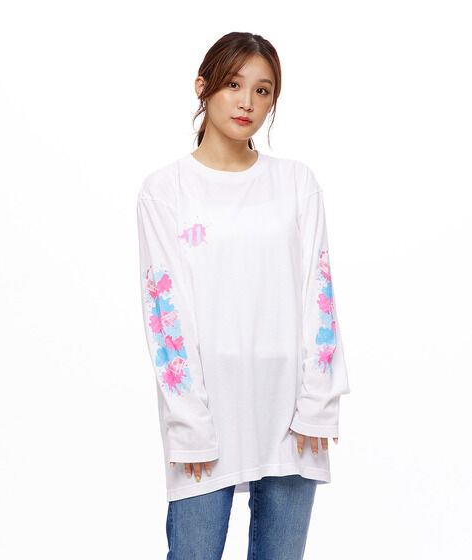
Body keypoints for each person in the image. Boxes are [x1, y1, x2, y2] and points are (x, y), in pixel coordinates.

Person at [136, 31, 350, 559]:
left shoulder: (297, 183)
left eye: (262, 90)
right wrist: (189, 422)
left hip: (291, 413)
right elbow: (166, 316)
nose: (247, 102)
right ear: (203, 86)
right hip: (207, 412)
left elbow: (318, 294)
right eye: (233, 84)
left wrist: (318, 405)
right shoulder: (166, 191)